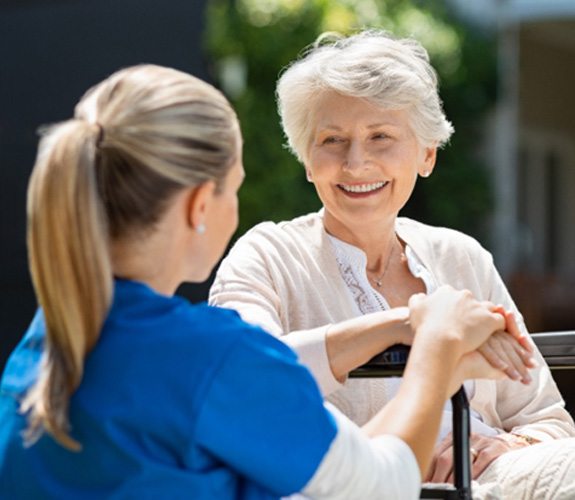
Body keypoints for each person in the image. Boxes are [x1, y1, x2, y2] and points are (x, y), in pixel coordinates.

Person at [0, 64, 517, 499]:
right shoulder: (211, 358)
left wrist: (399, 323)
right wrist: (438, 346)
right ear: (201, 205)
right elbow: (380, 483)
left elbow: (321, 457)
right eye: (236, 189)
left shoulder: (48, 341)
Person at [209, 29, 575, 488]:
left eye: (380, 136)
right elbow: (242, 383)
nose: (356, 162)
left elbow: (546, 418)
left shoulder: (461, 257)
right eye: (331, 140)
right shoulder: (266, 255)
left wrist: (506, 447)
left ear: (426, 154)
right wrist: (411, 324)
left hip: (501, 479)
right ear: (307, 159)